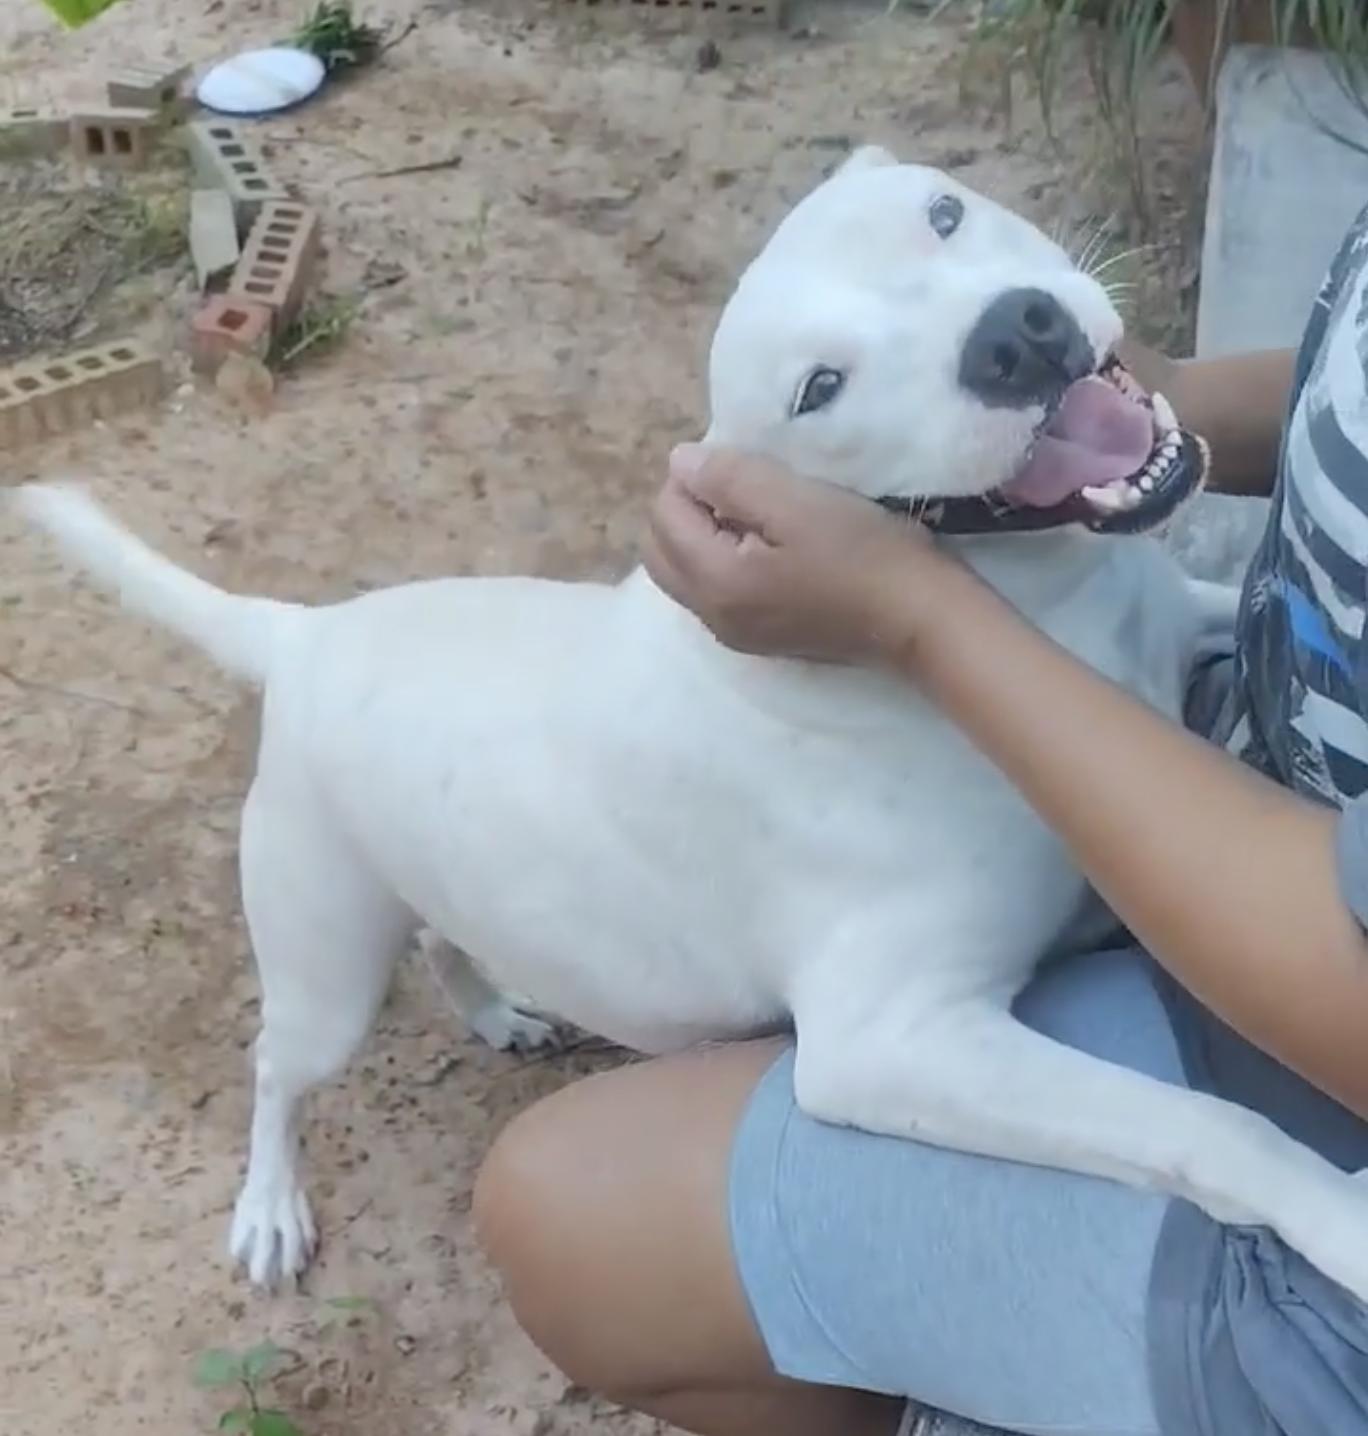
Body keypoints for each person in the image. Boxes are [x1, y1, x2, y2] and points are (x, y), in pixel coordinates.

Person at [471, 204, 1368, 1436]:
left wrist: (917, 618)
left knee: (565, 1213)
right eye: (937, 218)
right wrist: (1156, 408)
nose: (1003, 319)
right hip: (1279, 779)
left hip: (1332, 1110)